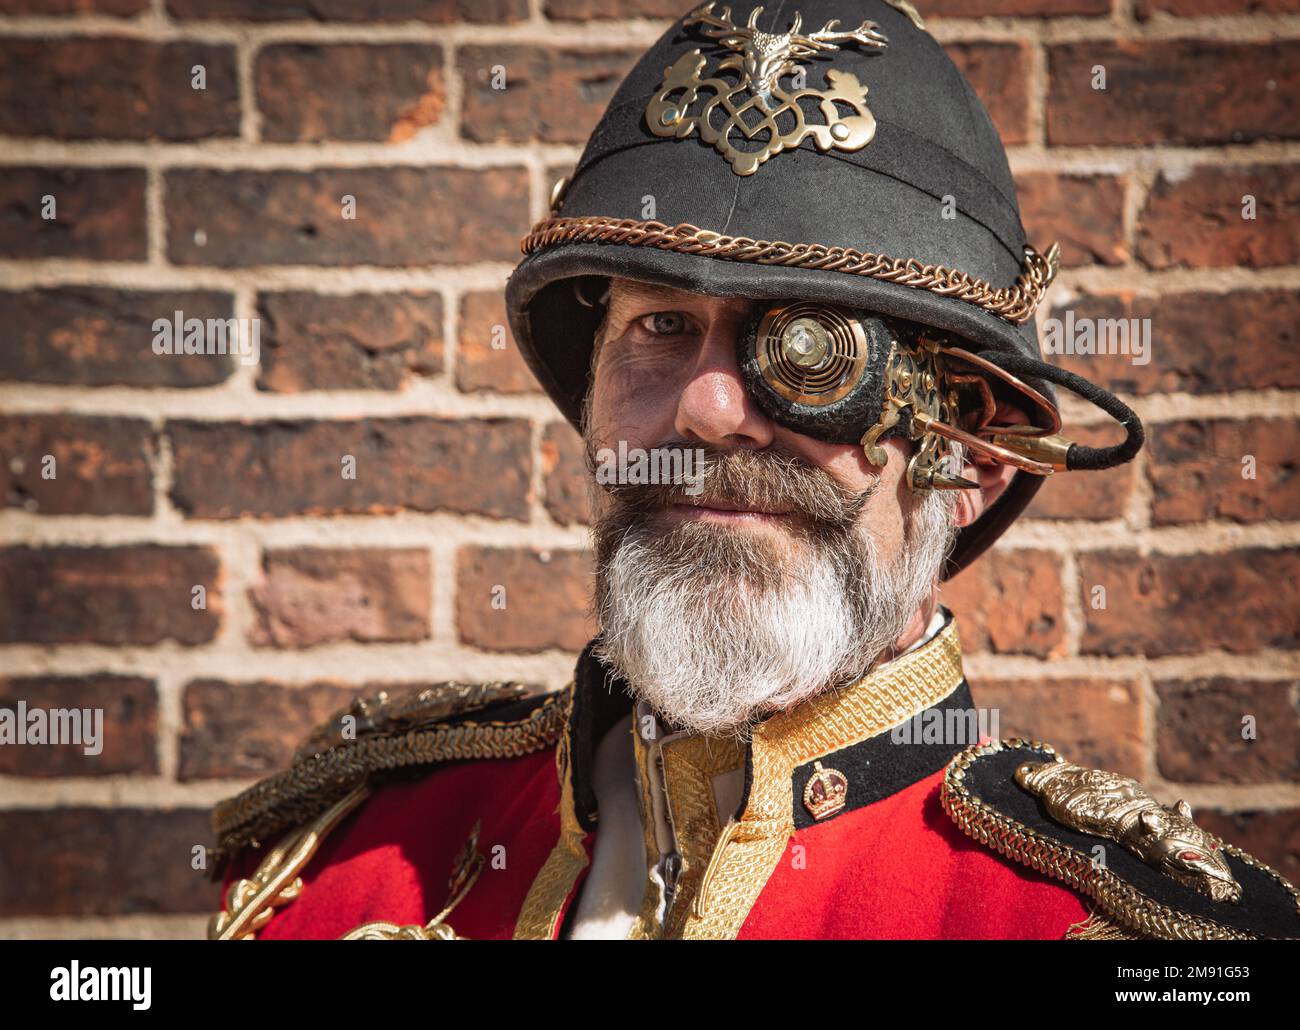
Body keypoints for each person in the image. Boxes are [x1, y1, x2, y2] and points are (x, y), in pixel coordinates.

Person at [207, 0, 1297, 940]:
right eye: (661, 325)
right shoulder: (360, 853)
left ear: (970, 455)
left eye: (812, 347)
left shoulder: (1121, 930)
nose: (711, 407)